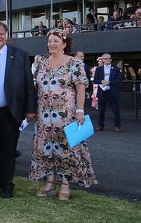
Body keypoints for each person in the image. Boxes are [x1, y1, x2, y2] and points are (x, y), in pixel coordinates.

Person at [30, 30, 97, 200]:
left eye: (56, 41)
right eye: (50, 41)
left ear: (64, 44)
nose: (52, 44)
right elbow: (36, 86)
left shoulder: (74, 63)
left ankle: (65, 184)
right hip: (44, 115)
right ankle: (50, 182)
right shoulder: (42, 62)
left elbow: (81, 87)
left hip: (66, 115)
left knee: (66, 148)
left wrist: (80, 110)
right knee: (46, 148)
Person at [0, 21, 37, 198]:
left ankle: (6, 185)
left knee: (8, 150)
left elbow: (28, 85)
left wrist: (30, 109)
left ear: (6, 35)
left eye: (1, 33)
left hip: (10, 111)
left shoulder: (19, 55)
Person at [93, 53, 122, 132]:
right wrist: (101, 81)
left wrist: (108, 82)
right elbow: (95, 80)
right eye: (105, 59)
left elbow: (119, 80)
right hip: (102, 92)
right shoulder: (98, 69)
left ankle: (117, 126)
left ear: (111, 59)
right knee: (101, 110)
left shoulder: (116, 69)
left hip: (112, 92)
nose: (107, 60)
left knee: (116, 110)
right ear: (102, 60)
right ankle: (100, 125)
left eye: (109, 58)